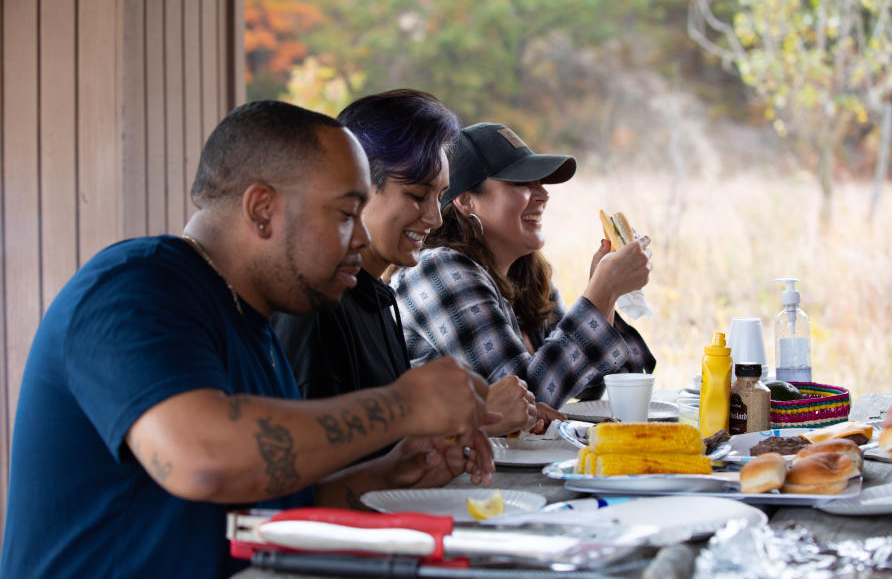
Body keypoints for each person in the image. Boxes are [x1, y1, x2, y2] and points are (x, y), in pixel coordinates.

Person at [0, 101, 496, 579]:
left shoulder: (253, 321)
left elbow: (268, 509)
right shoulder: (134, 287)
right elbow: (202, 460)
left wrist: (391, 475)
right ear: (262, 209)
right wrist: (400, 405)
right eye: (347, 213)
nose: (361, 239)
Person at [272, 90, 557, 437]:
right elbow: (319, 467)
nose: (436, 219)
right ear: (353, 186)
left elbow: (389, 445)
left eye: (440, 196)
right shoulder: (315, 308)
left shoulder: (377, 298)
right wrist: (474, 419)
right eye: (418, 196)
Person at [390, 122, 656, 408]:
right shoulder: (437, 271)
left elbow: (611, 379)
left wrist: (607, 294)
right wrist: (601, 290)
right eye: (520, 183)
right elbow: (522, 404)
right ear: (466, 201)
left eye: (539, 182)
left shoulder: (525, 274)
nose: (543, 194)